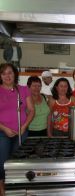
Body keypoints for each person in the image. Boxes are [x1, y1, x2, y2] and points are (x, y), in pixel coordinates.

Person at [0, 63, 34, 194]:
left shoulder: (23, 89)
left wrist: (24, 126)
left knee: (18, 161)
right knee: (2, 161)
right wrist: (4, 129)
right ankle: (2, 187)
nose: (7, 76)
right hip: (2, 132)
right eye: (4, 73)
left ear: (15, 74)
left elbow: (31, 110)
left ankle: (16, 187)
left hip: (22, 132)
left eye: (10, 72)